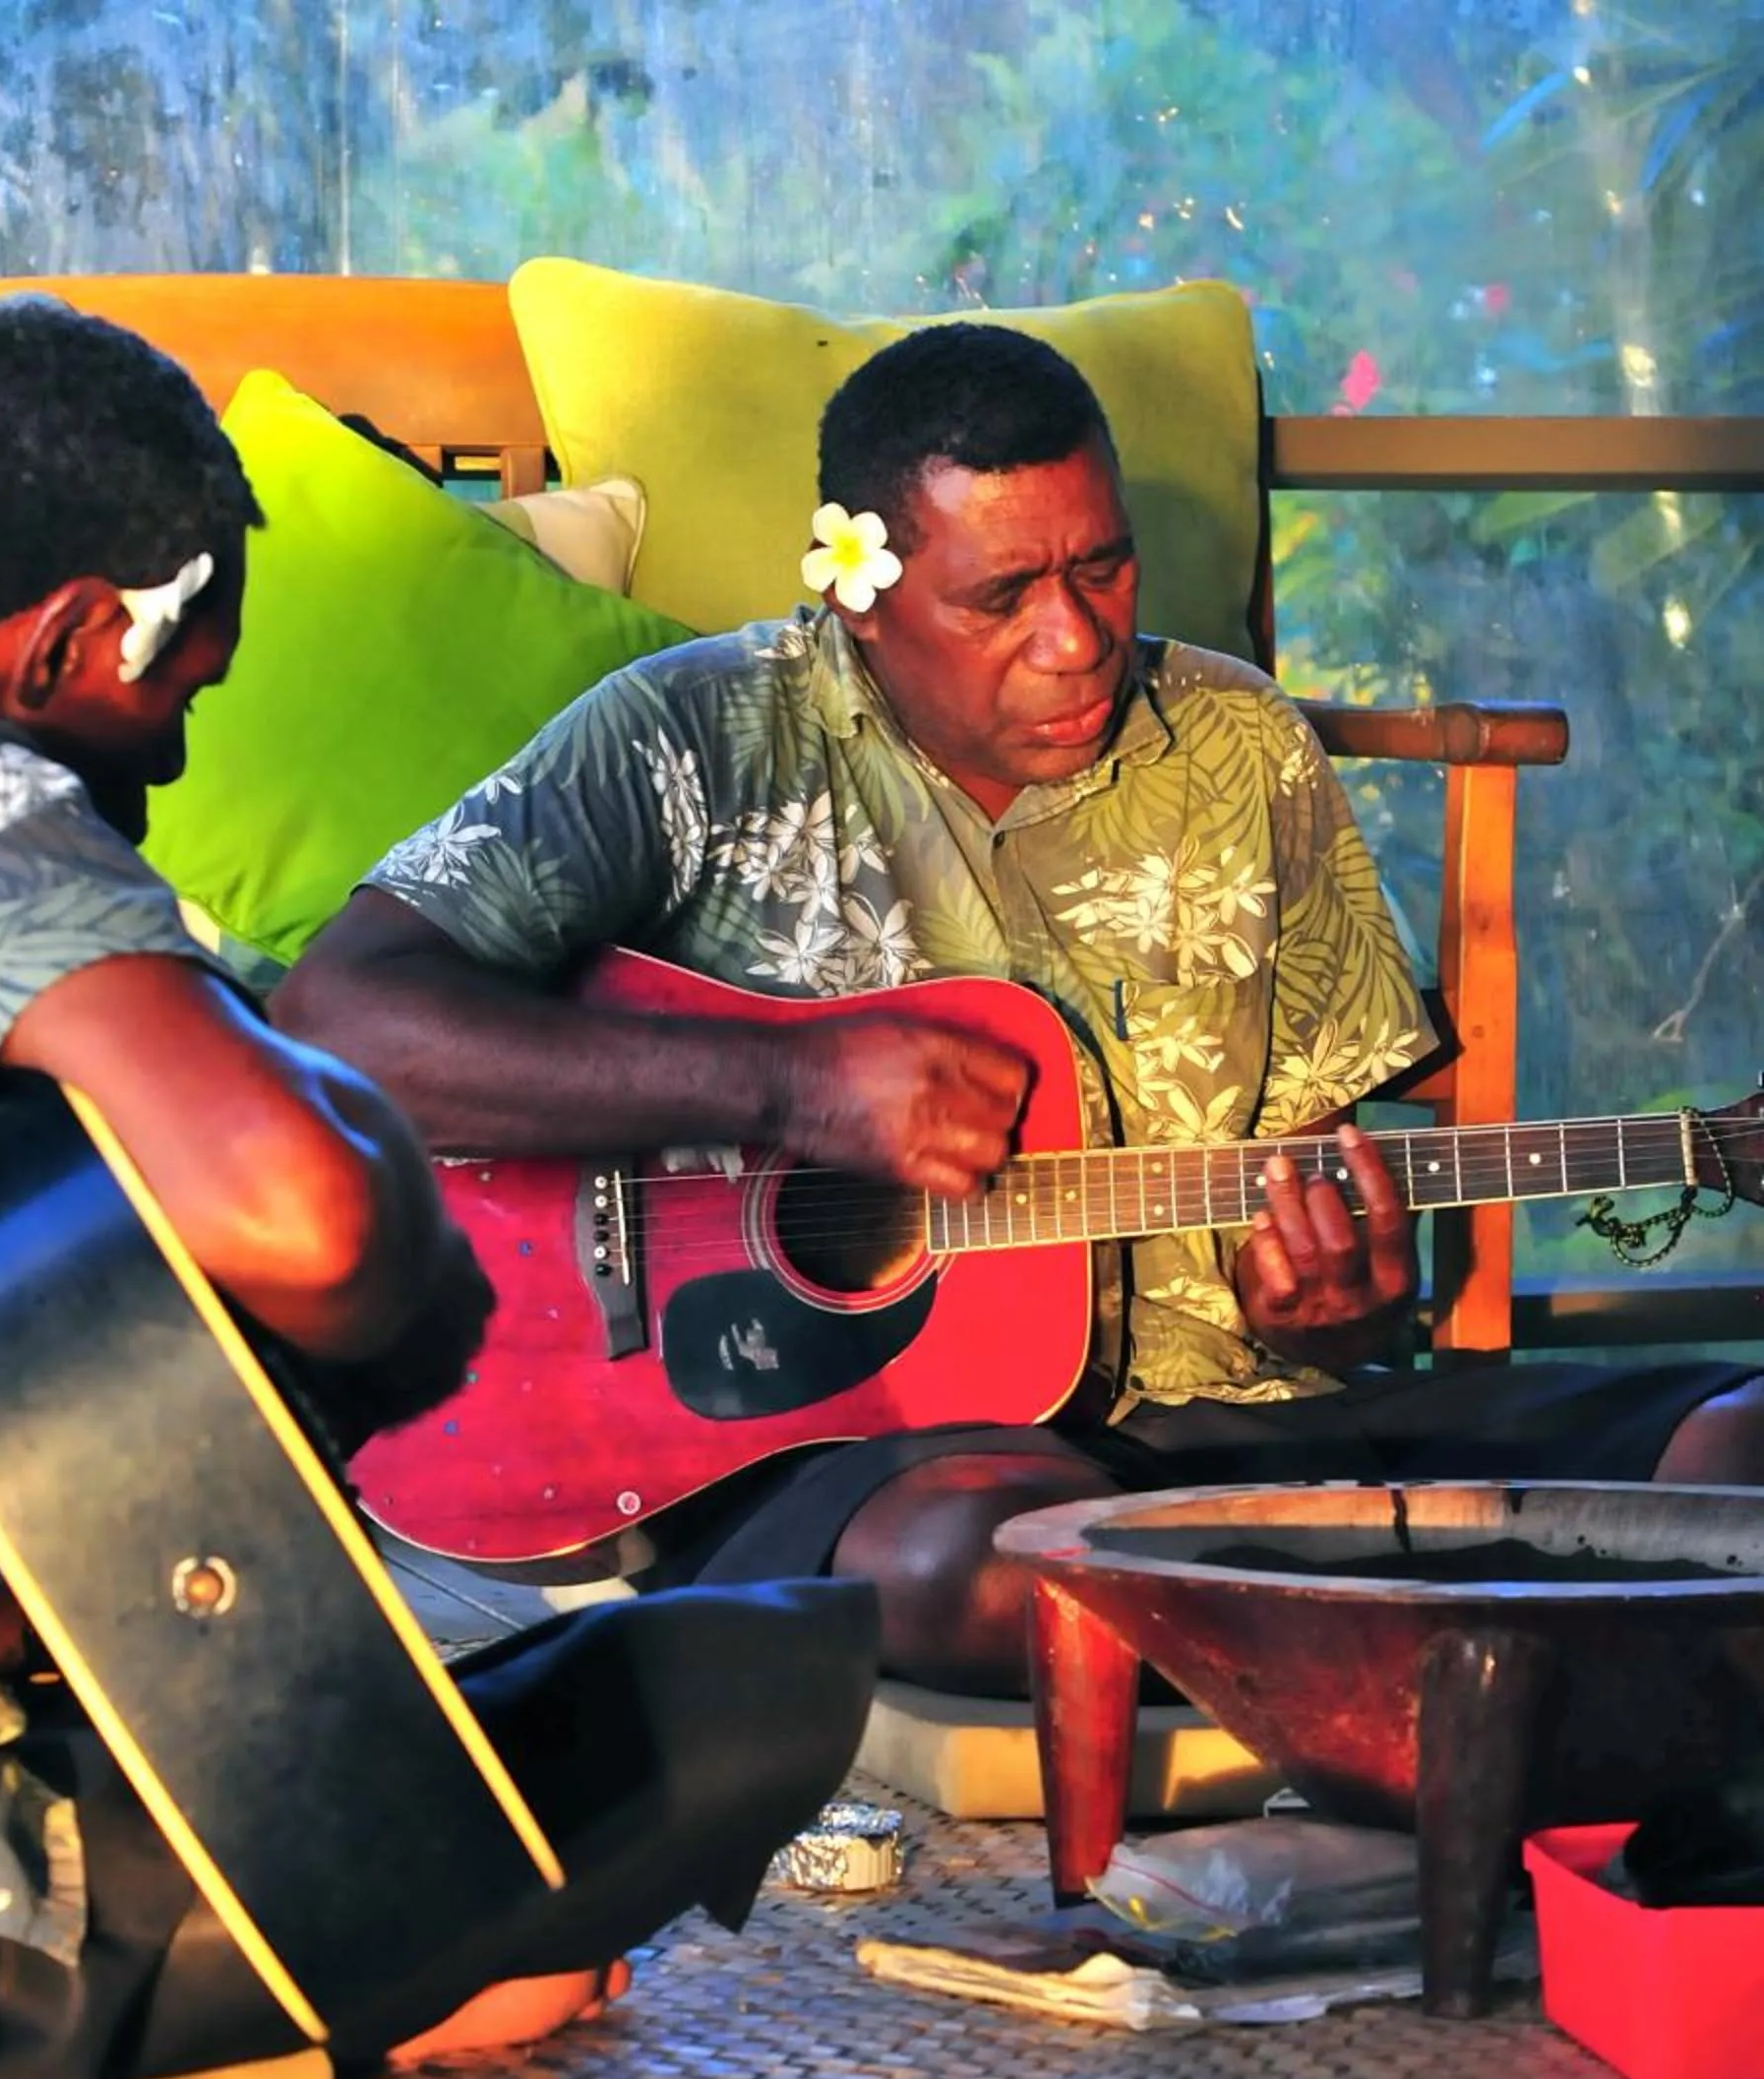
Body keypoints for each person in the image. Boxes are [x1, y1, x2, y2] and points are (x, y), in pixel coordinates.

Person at [277, 321, 1764, 1695]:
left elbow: (1337, 1270)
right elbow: (343, 1025)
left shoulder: (1243, 747)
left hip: (1236, 1435)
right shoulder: (687, 738)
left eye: (1103, 570)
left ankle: (1383, 1667)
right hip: (905, 1462)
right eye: (1002, 596)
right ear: (858, 596)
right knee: (992, 1569)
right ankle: (1446, 1656)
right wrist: (783, 1090)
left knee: (1738, 1452)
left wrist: (1336, 1307)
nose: (1074, 639)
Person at [0, 301, 875, 2079]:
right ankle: (337, 1980)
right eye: (175, 698)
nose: (154, 781)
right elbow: (308, 1211)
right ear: (72, 637)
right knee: (738, 1695)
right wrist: (394, 1284)